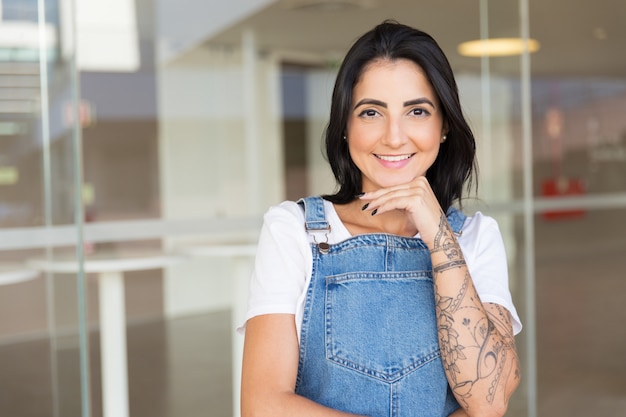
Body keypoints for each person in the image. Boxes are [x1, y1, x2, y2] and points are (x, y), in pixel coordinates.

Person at [240, 20, 522, 417]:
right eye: (371, 112)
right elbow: (263, 406)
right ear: (345, 127)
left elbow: (489, 401)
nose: (393, 136)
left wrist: (439, 236)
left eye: (417, 111)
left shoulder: (475, 237)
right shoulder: (293, 231)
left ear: (443, 127)